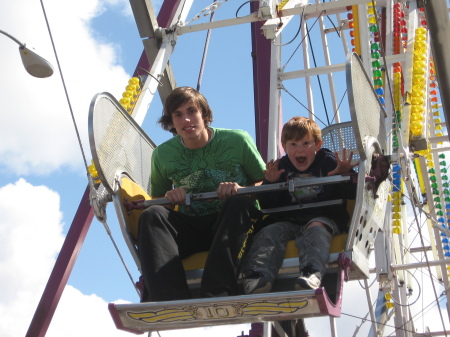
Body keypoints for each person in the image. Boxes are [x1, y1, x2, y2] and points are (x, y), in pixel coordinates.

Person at [137, 86, 266, 302]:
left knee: (237, 206)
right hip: (194, 226)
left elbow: (264, 181)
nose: (186, 120)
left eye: (191, 112)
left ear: (204, 115)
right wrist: (171, 198)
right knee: (152, 216)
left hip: (233, 225)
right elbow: (157, 203)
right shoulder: (162, 155)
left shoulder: (238, 140)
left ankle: (218, 292)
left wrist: (241, 191)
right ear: (171, 121)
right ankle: (169, 298)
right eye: (178, 115)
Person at [241, 116, 357, 294]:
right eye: (293, 144)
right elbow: (270, 206)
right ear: (285, 147)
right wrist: (270, 185)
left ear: (317, 145)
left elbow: (351, 194)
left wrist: (345, 175)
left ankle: (312, 271)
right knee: (268, 232)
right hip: (290, 218)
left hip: (324, 216)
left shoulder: (328, 162)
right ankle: (258, 276)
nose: (299, 150)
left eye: (305, 143)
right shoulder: (281, 168)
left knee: (316, 228)